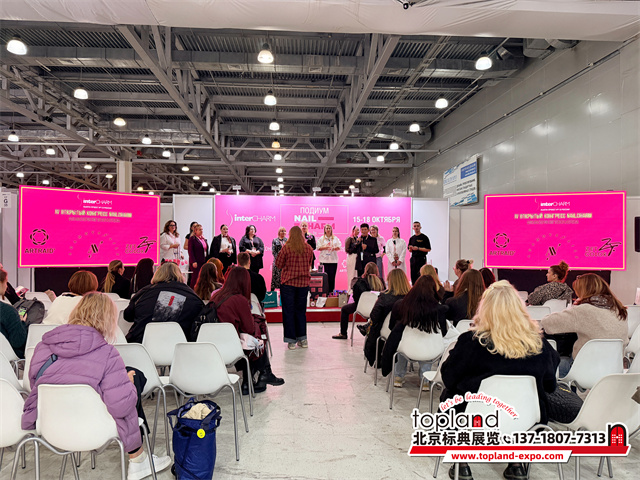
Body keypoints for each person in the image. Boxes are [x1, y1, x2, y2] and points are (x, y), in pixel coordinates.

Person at [22, 293, 172, 480]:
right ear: (107, 320)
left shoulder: (42, 347)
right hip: (95, 428)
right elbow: (121, 407)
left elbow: (35, 384)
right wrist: (129, 385)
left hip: (51, 426)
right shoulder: (107, 353)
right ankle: (138, 460)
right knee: (130, 383)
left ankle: (139, 458)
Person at [440, 280, 559, 480]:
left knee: (451, 396)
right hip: (527, 421)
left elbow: (449, 378)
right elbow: (550, 385)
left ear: (485, 309)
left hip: (475, 419)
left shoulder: (470, 342)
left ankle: (462, 461)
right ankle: (516, 463)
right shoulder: (539, 345)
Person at [211, 267, 284, 395]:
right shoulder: (240, 300)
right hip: (232, 348)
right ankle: (262, 373)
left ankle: (256, 377)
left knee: (249, 337)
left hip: (213, 346)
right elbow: (249, 328)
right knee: (256, 334)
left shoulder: (216, 296)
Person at [541, 273, 628, 377]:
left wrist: (573, 308)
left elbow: (547, 323)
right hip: (614, 369)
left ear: (583, 291)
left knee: (550, 363)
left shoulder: (584, 310)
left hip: (584, 371)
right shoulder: (619, 309)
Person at [380, 275, 449, 387]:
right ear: (433, 290)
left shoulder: (401, 305)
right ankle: (424, 380)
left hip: (407, 347)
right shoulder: (439, 309)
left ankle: (398, 376)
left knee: (401, 339)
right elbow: (443, 332)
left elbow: (392, 326)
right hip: (430, 349)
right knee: (428, 343)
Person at [124, 262, 204, 343]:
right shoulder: (192, 297)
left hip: (141, 344)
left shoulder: (144, 293)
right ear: (180, 275)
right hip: (178, 345)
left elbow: (128, 316)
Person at [275, 226, 314, 349]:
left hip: (288, 284)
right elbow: (310, 263)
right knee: (301, 311)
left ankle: (291, 340)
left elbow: (278, 264)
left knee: (288, 311)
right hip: (303, 284)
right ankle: (303, 339)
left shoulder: (286, 248)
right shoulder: (308, 248)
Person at [363, 268, 412, 366]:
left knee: (376, 326)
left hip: (387, 331)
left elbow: (374, 316)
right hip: (409, 331)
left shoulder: (384, 297)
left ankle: (379, 358)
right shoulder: (412, 298)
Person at [332, 262, 385, 340]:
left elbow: (356, 297)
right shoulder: (381, 281)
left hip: (362, 307)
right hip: (376, 308)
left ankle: (343, 333)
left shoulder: (360, 282)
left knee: (344, 309)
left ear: (365, 270)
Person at [0, 267, 27, 358]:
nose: (6, 286)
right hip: (6, 358)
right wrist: (22, 323)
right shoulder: (8, 311)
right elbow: (18, 342)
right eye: (6, 282)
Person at [317, 224, 342, 293]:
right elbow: (318, 248)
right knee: (324, 277)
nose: (328, 230)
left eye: (329, 228)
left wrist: (334, 248)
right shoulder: (321, 239)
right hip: (324, 260)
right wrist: (326, 247)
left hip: (333, 261)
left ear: (331, 230)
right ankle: (324, 292)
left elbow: (339, 247)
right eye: (327, 228)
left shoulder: (335, 238)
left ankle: (331, 292)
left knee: (332, 277)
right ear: (324, 230)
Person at [187, 223, 208, 288]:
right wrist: (193, 261)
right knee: (195, 277)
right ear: (195, 231)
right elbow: (190, 251)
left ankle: (200, 291)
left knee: (203, 277)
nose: (201, 231)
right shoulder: (192, 239)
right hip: (196, 261)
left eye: (202, 229)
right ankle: (192, 290)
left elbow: (206, 250)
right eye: (199, 230)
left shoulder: (203, 239)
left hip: (203, 260)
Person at [344, 226, 360, 290]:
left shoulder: (358, 238)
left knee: (356, 274)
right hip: (351, 257)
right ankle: (350, 289)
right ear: (353, 230)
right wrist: (356, 244)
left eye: (359, 230)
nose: (358, 231)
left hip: (357, 257)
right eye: (357, 230)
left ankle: (355, 289)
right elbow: (347, 250)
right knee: (351, 274)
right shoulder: (349, 239)